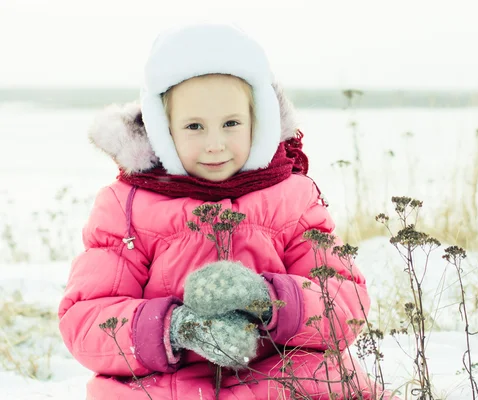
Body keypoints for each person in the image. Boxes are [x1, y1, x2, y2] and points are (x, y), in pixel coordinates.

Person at [58, 22, 381, 399]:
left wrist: (268, 300)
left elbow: (344, 301)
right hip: (167, 386)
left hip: (278, 379)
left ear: (257, 122)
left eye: (231, 124)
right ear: (164, 130)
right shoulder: (126, 205)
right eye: (194, 126)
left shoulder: (293, 198)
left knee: (331, 382)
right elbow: (87, 317)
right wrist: (178, 329)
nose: (215, 144)